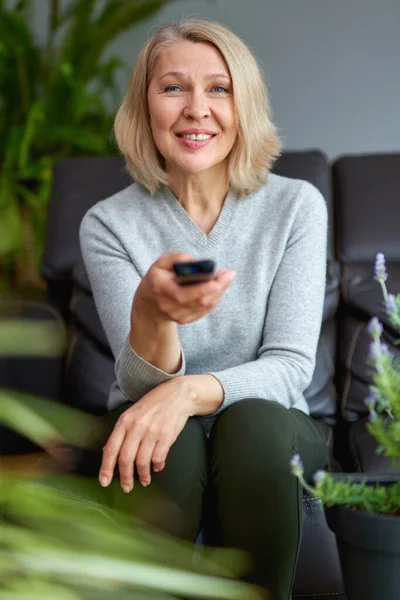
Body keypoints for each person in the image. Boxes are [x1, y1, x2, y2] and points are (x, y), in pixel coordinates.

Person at [79, 18, 328, 600]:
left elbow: (291, 366)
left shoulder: (296, 207)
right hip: (160, 430)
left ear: (244, 107)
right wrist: (153, 312)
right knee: (176, 435)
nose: (197, 109)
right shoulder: (109, 224)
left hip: (275, 431)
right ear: (145, 107)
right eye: (173, 88)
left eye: (218, 89)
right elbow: (142, 385)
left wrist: (188, 391)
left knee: (254, 420)